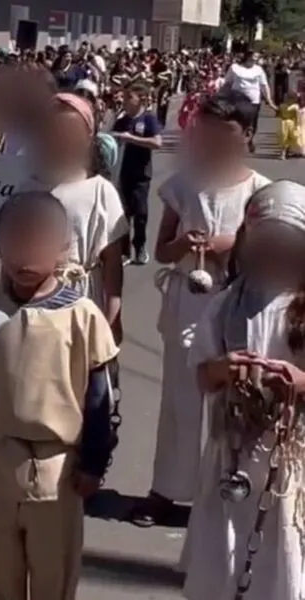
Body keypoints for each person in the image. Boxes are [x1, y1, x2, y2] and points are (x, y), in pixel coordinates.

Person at [0, 190, 118, 600]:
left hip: (56, 472)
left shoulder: (81, 316)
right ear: (0, 246)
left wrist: (94, 464)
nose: (25, 257)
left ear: (61, 246)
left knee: (51, 576)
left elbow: (100, 400)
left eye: (38, 243)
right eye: (15, 243)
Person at [130, 92, 270, 527]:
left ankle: (227, 490)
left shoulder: (259, 191)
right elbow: (162, 250)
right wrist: (185, 244)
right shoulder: (184, 184)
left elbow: (268, 253)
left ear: (246, 136)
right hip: (188, 304)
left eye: (226, 135)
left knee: (234, 401)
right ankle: (166, 490)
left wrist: (231, 242)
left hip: (237, 309)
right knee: (180, 399)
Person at [182, 179, 305, 600]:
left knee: (281, 562)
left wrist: (296, 381)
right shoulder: (228, 304)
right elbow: (202, 376)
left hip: (291, 464)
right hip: (232, 452)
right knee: (225, 559)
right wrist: (223, 368)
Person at [19, 92, 127, 343]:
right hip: (31, 300)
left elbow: (112, 265)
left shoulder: (101, 191)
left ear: (88, 136)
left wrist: (112, 319)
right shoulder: (27, 188)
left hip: (82, 298)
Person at [112, 82, 163, 265]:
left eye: (128, 98)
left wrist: (131, 139)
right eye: (124, 97)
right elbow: (110, 142)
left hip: (141, 174)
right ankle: (124, 251)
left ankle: (139, 246)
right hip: (121, 174)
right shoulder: (121, 120)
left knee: (140, 213)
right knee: (122, 214)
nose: (124, 101)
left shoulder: (148, 119)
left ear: (140, 99)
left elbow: (157, 143)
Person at [223, 50, 276, 152]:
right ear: (247, 57)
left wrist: (269, 100)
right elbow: (227, 83)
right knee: (238, 122)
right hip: (237, 99)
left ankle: (250, 140)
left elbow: (264, 85)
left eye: (257, 59)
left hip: (253, 100)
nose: (255, 60)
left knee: (252, 123)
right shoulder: (235, 68)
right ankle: (236, 141)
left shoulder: (258, 70)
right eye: (253, 58)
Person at [277, 91, 301, 159]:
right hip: (286, 123)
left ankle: (286, 151)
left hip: (289, 123)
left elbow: (296, 116)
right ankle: (283, 152)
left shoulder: (294, 107)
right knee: (284, 137)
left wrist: (297, 124)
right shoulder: (284, 106)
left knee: (289, 137)